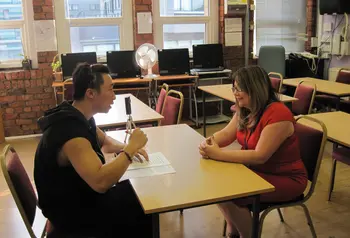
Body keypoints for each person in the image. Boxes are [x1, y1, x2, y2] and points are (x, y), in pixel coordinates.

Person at [34, 63, 153, 237]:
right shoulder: (72, 135)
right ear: (90, 93)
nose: (114, 96)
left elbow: (105, 141)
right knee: (142, 207)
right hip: (71, 215)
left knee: (135, 193)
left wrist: (126, 148)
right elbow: (100, 182)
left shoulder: (78, 114)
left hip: (76, 197)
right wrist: (131, 149)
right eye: (110, 90)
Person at [199, 66, 308, 238]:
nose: (235, 93)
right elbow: (227, 134)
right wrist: (209, 142)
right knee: (217, 185)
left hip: (285, 178)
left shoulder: (278, 114)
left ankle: (246, 234)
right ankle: (234, 230)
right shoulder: (245, 109)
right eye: (233, 88)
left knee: (228, 192)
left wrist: (217, 154)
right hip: (257, 171)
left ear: (255, 88)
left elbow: (260, 155)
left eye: (239, 89)